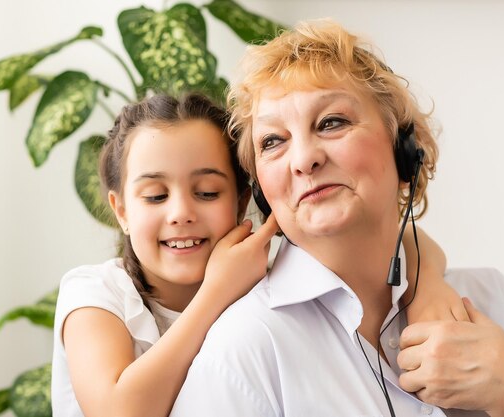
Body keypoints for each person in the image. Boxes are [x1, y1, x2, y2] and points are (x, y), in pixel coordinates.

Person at [170, 20, 504, 417]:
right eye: (273, 142)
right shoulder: (244, 352)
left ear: (406, 152)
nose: (304, 159)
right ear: (262, 191)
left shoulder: (498, 304)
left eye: (331, 122)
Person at [51, 93, 460, 417]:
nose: (181, 214)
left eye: (207, 192)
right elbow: (120, 411)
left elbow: (400, 235)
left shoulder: (263, 265)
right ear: (121, 210)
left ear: (244, 198)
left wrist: (427, 288)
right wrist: (217, 292)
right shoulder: (95, 295)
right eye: (155, 196)